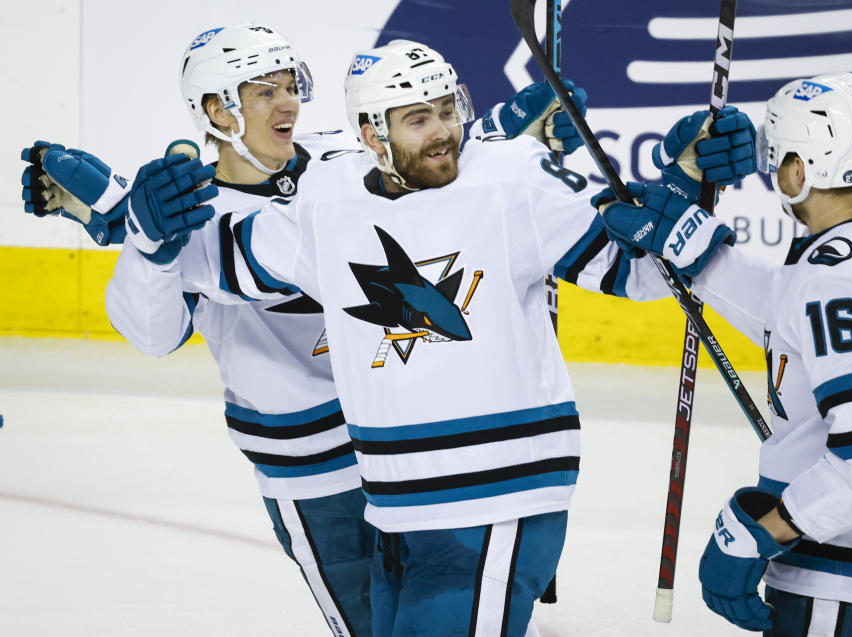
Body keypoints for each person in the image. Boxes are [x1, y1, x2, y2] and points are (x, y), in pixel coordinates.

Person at [112, 38, 755, 635]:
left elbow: (640, 271)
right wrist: (142, 231)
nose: (443, 131)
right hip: (396, 508)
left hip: (498, 493)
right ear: (371, 133)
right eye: (417, 118)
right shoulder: (325, 203)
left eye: (449, 110)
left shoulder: (513, 177)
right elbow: (204, 262)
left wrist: (688, 185)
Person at [20, 26, 594, 637]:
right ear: (217, 109)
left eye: (291, 86)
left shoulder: (343, 160)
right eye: (264, 92)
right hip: (315, 475)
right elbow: (153, 333)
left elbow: (428, 152)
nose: (288, 103)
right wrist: (142, 238)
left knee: (470, 608)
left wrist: (514, 125)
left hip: (404, 450)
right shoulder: (188, 209)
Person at [598, 72, 852, 636]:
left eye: (777, 156)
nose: (771, 170)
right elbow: (797, 316)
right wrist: (697, 251)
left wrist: (767, 530)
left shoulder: (837, 279)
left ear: (799, 171)